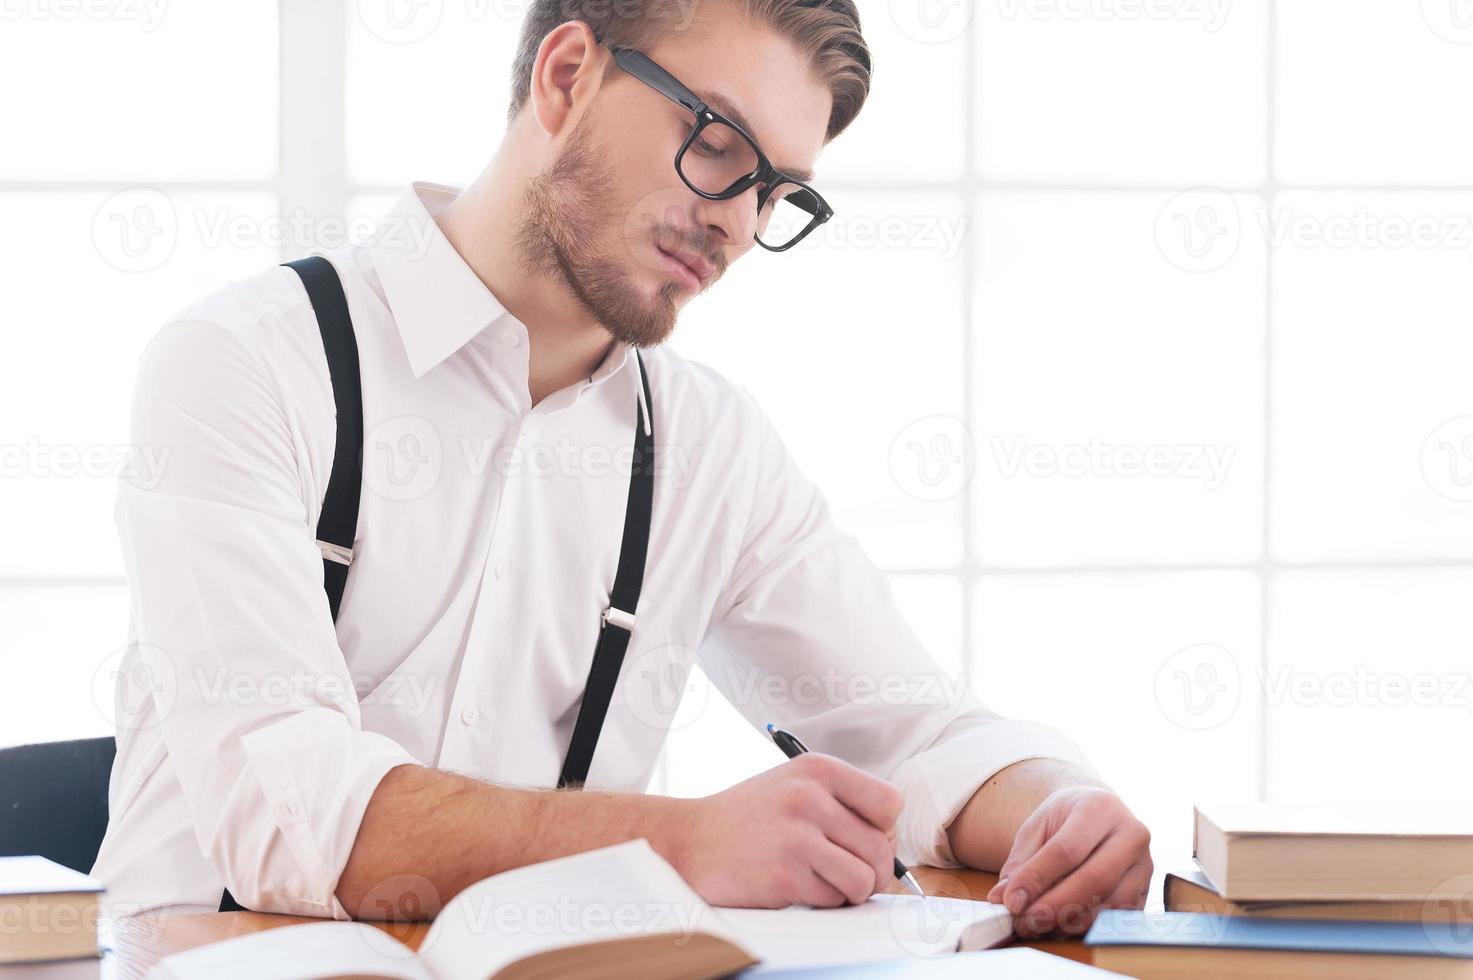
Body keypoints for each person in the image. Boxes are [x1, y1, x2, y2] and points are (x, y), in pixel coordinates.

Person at [92, 0, 1150, 938]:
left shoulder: (708, 450)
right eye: (720, 143)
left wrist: (1059, 798)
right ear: (566, 76)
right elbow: (284, 807)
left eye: (777, 191)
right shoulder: (244, 364)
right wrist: (683, 842)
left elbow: (913, 730)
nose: (737, 219)